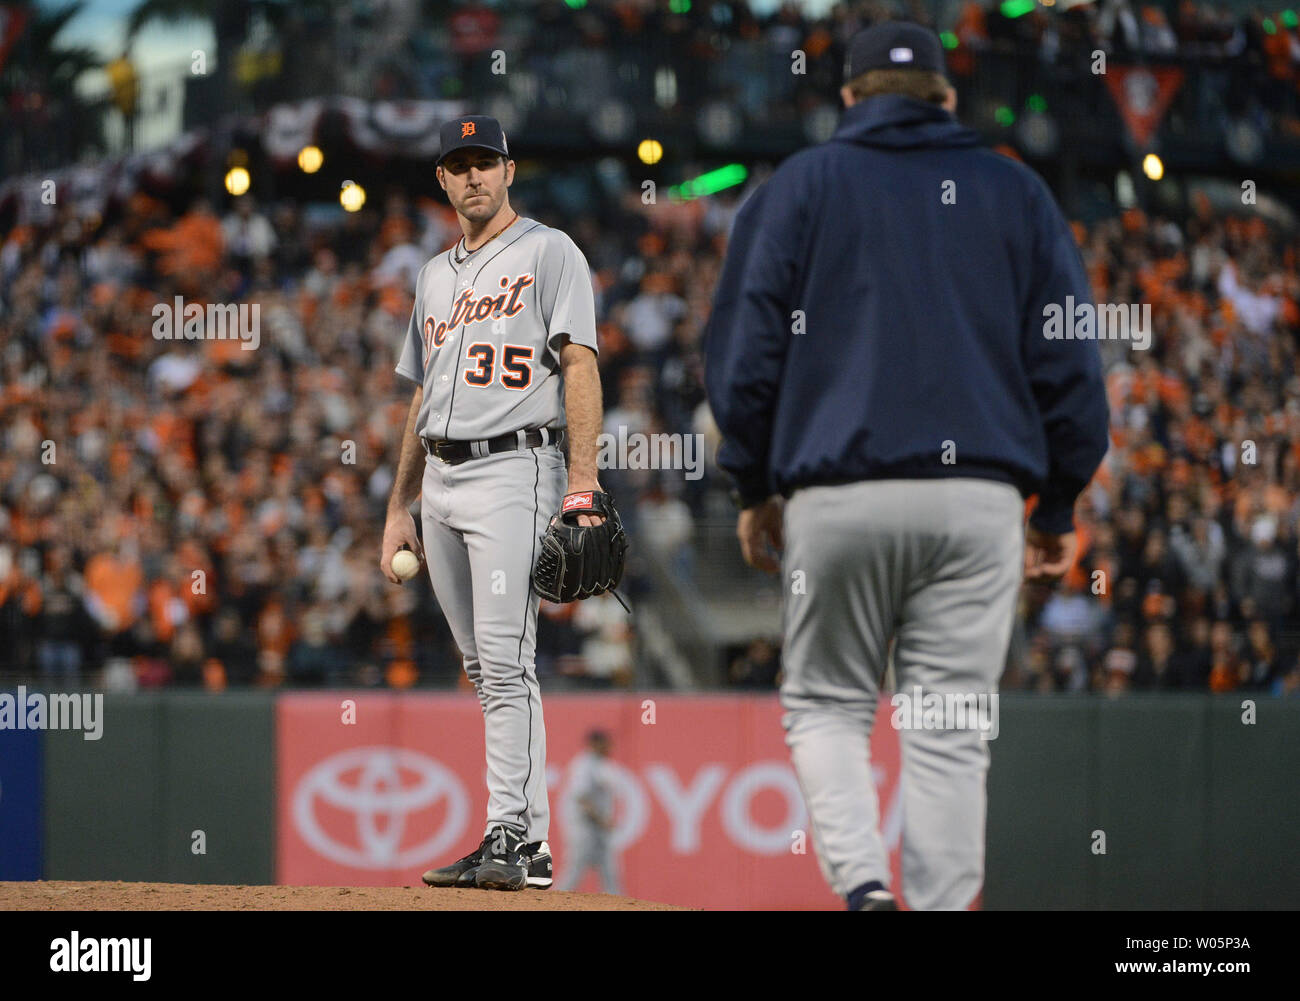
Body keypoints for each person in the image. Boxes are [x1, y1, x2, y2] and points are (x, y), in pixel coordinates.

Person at [703, 22, 1110, 911]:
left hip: (836, 493)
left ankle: (865, 890)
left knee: (824, 704)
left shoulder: (797, 187)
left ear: (848, 98)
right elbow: (1073, 366)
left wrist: (755, 484)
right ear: (948, 97)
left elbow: (744, 360)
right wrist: (1058, 506)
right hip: (981, 502)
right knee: (950, 728)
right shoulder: (1016, 189)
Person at [380, 115, 606, 892]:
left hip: (517, 467)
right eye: (459, 164)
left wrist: (584, 481)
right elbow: (420, 396)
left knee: (508, 665)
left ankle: (508, 831)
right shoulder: (432, 275)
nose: (473, 176)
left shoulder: (550, 251)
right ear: (441, 179)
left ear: (510, 170)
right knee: (485, 666)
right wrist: (397, 505)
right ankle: (531, 844)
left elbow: (579, 364)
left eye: (486, 162)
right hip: (438, 477)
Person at [557, 730, 622, 894]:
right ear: (594, 743)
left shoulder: (602, 764)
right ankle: (554, 903)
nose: (609, 746)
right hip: (583, 826)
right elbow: (581, 798)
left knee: (610, 871)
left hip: (598, 829)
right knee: (575, 868)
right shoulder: (583, 764)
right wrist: (602, 819)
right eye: (605, 742)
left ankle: (620, 905)